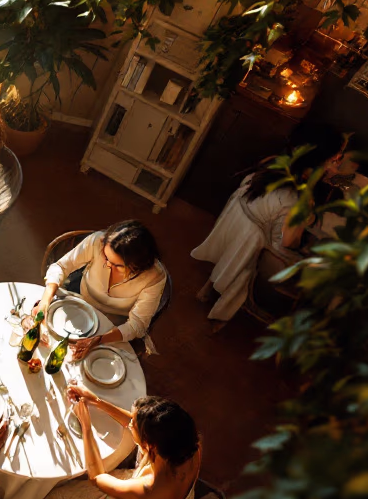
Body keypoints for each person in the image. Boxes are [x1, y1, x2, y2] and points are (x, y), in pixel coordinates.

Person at [26, 390, 201, 499]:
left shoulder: (149, 488)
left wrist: (86, 427)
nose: (130, 424)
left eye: (134, 426)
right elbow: (140, 425)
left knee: (60, 496)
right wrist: (97, 401)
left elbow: (97, 477)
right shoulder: (190, 447)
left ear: (150, 445)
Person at [192, 137, 349, 324]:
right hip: (266, 260)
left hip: (238, 235)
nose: (335, 169)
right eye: (333, 161)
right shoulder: (297, 200)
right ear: (316, 162)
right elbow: (289, 243)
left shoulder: (270, 168)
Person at [35, 220, 167, 358]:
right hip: (80, 301)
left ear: (137, 267)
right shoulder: (98, 241)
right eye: (105, 257)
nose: (107, 265)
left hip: (113, 325)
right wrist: (45, 301)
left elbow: (137, 325)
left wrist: (98, 340)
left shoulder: (153, 277)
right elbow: (61, 267)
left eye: (118, 265)